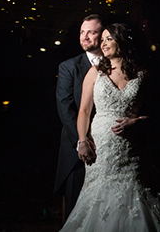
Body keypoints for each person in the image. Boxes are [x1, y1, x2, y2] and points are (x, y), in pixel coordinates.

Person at [60, 23, 160, 231]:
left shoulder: (142, 74)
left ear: (123, 41)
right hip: (100, 149)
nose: (103, 43)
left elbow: (157, 113)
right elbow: (83, 111)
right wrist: (82, 140)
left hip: (131, 148)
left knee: (135, 192)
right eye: (102, 40)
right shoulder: (94, 73)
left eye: (108, 38)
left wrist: (136, 122)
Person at [55, 14, 103, 222]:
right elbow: (66, 109)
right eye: (82, 32)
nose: (85, 37)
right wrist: (83, 141)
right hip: (78, 148)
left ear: (104, 36)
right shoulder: (69, 67)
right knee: (76, 209)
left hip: (109, 144)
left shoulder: (117, 65)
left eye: (91, 32)